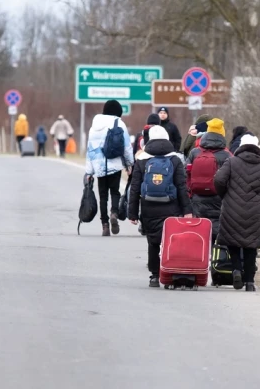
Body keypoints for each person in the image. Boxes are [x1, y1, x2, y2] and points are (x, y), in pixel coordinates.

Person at [128, 125, 192, 287]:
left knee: (153, 242)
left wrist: (133, 213)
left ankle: (155, 276)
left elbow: (134, 188)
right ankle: (170, 273)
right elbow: (182, 187)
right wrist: (187, 211)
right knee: (172, 240)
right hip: (172, 207)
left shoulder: (142, 160)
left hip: (148, 207)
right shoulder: (175, 160)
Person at [214, 135, 260, 292]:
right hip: (255, 213)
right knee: (250, 247)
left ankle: (236, 270)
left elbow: (219, 179)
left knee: (233, 242)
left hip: (231, 209)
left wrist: (225, 195)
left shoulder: (232, 162)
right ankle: (249, 282)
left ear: (241, 146)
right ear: (257, 149)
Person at [86, 100, 134, 236]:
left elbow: (90, 149)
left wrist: (89, 171)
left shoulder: (93, 127)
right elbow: (126, 148)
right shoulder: (119, 123)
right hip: (115, 164)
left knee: (103, 195)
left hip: (99, 166)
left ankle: (105, 225)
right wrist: (129, 164)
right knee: (115, 192)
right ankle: (114, 213)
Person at [186, 118, 232, 240]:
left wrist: (189, 193)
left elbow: (186, 174)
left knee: (200, 230)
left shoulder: (195, 152)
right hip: (219, 198)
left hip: (197, 198)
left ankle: (202, 255)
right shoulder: (227, 155)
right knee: (217, 228)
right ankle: (215, 255)